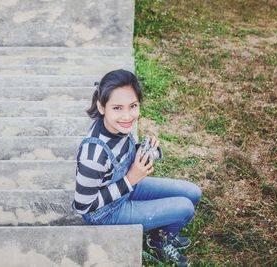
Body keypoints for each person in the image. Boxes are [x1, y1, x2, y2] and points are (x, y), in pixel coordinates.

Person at [72, 69, 201, 267]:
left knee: (193, 193)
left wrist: (144, 151)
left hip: (126, 185)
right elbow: (83, 206)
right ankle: (158, 242)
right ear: (101, 106)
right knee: (185, 207)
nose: (127, 116)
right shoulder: (93, 155)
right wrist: (131, 179)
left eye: (133, 106)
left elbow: (121, 156)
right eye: (117, 108)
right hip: (105, 213)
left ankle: (159, 232)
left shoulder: (119, 126)